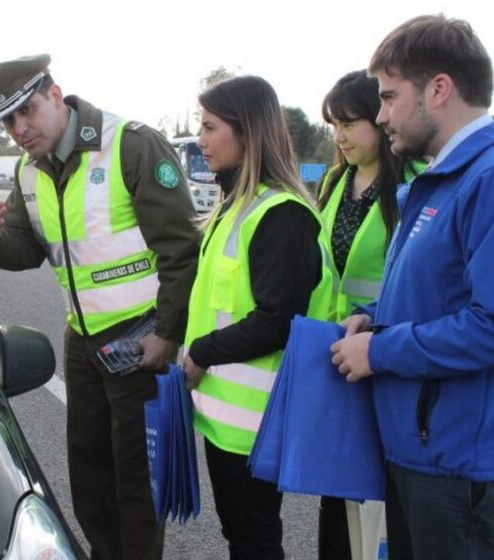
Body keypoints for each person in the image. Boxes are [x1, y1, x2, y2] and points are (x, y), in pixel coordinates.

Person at [0, 54, 199, 560]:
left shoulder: (130, 145)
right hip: (83, 341)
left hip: (140, 339)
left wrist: (167, 333)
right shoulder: (31, 172)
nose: (20, 129)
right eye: (8, 120)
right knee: (90, 479)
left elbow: (181, 249)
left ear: (56, 96)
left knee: (136, 481)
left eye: (27, 111)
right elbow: (25, 250)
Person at [331, 14, 494, 560]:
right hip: (420, 454)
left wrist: (380, 350)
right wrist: (373, 316)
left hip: (457, 467)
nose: (382, 114)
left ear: (439, 89)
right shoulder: (439, 179)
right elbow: (437, 297)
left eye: (389, 97)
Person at [182, 75, 335, 559]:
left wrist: (201, 354)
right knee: (244, 536)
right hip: (228, 418)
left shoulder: (281, 216)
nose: (201, 140)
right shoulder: (237, 207)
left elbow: (276, 320)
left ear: (246, 131)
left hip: (257, 423)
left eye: (210, 127)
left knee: (254, 540)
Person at [315, 69, 422, 560]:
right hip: (336, 355)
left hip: (385, 358)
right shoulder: (336, 181)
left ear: (381, 121)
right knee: (336, 492)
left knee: (382, 498)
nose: (339, 136)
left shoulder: (413, 185)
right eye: (333, 124)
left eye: (351, 123)